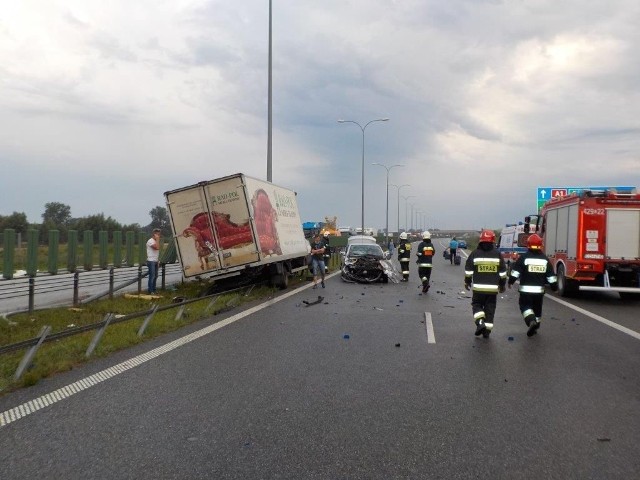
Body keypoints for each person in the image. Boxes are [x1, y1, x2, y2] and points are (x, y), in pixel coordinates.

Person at [508, 234, 558, 337]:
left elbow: (515, 273)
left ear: (528, 245)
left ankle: (531, 322)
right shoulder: (545, 260)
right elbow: (551, 277)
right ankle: (536, 325)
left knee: (525, 306)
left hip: (526, 291)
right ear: (541, 245)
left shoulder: (524, 258)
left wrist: (510, 281)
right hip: (539, 292)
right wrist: (554, 287)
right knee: (537, 309)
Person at [464, 230, 507, 338]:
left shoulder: (475, 253)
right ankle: (487, 331)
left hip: (478, 289)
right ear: (493, 241)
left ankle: (480, 323)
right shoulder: (497, 254)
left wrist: (467, 282)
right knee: (490, 309)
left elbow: (468, 270)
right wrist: (502, 285)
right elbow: (503, 272)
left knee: (477, 305)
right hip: (492, 290)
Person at [146, 228, 161, 294]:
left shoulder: (156, 241)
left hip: (155, 261)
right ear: (154, 234)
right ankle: (150, 290)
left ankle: (154, 290)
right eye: (157, 234)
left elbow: (157, 250)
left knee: (155, 276)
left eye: (159, 234)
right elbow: (156, 248)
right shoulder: (150, 241)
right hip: (151, 261)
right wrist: (157, 240)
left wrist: (157, 260)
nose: (158, 236)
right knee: (152, 276)